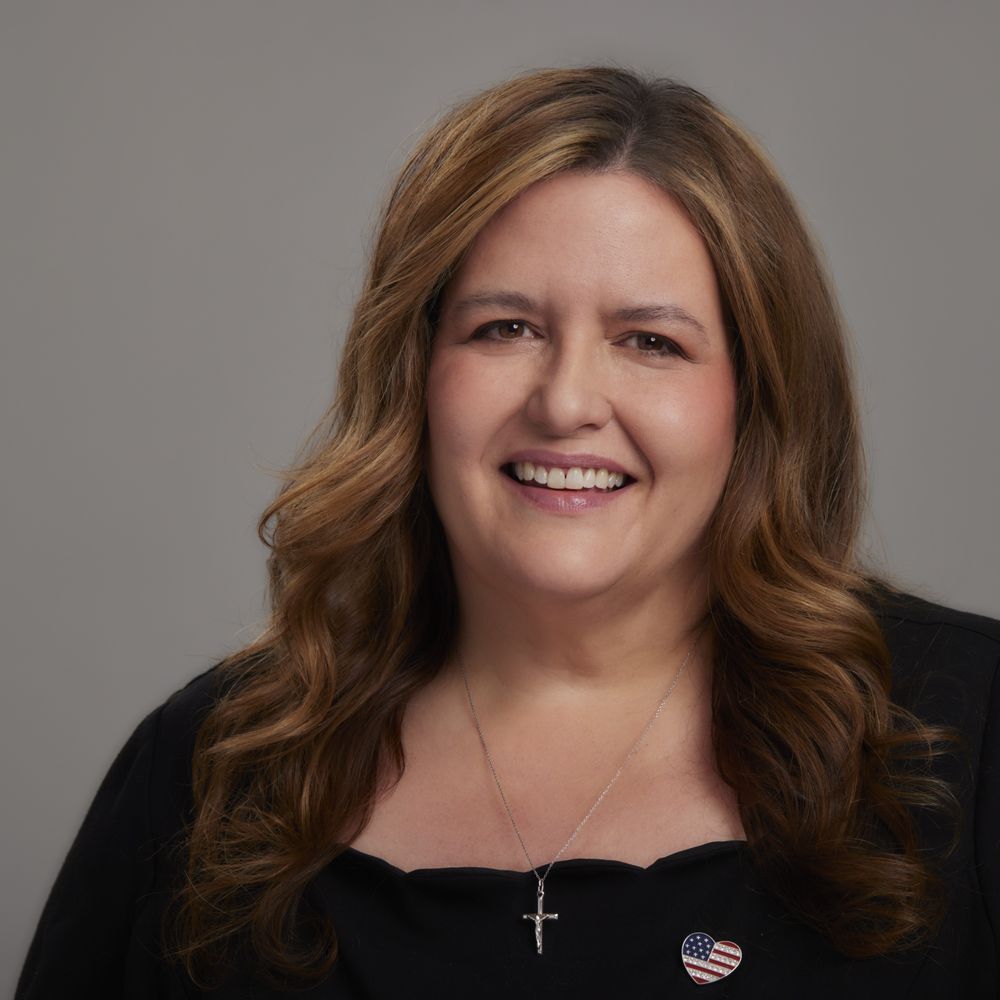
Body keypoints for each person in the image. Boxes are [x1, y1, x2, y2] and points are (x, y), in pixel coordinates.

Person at [16, 65, 1000, 999]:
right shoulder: (209, 772)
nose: (566, 401)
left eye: (649, 341)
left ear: (756, 399)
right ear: (415, 374)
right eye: (505, 328)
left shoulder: (972, 732)